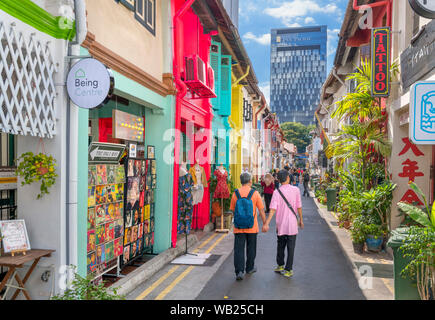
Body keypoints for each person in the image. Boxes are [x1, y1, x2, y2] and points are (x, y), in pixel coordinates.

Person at [263, 169, 304, 278]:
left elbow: (272, 209)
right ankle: (288, 269)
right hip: (292, 225)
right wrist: (301, 220)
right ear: (288, 178)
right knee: (291, 247)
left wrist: (267, 223)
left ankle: (280, 265)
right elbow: (299, 206)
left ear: (279, 180)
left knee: (280, 245)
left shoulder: (277, 192)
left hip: (280, 225)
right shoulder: (296, 190)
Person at [230, 172, 267, 281]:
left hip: (238, 227)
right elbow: (261, 210)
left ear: (241, 181)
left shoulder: (235, 193)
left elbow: (232, 210)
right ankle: (249, 268)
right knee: (251, 248)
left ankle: (239, 271)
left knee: (238, 249)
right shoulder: (255, 193)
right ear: (250, 181)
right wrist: (265, 223)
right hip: (252, 226)